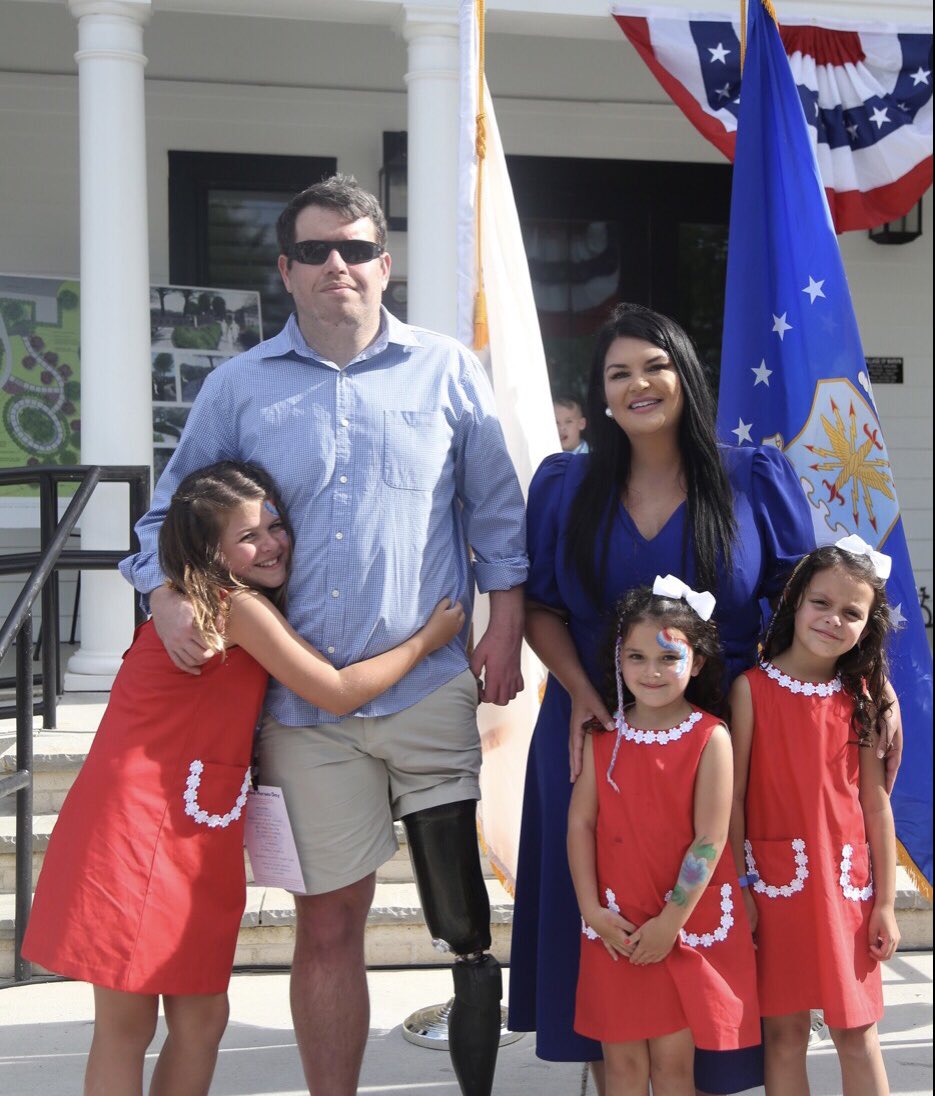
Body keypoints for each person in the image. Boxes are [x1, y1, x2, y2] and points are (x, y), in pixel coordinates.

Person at [119, 175, 527, 1096]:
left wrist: (505, 627)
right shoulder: (238, 388)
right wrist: (165, 594)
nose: (335, 264)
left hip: (429, 693)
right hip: (303, 714)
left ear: (385, 264)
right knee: (330, 923)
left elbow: (498, 515)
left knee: (465, 927)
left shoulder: (446, 369)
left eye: (354, 248)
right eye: (314, 251)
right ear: (285, 270)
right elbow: (165, 521)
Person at [508, 300, 874, 1094]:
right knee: (604, 933)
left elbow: (809, 605)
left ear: (687, 376)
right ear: (600, 394)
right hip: (595, 730)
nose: (637, 384)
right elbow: (538, 606)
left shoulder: (752, 476)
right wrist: (580, 693)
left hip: (722, 743)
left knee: (711, 923)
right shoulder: (564, 484)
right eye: (618, 373)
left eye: (655, 366)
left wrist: (866, 683)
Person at [23, 461, 465, 1096]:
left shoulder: (197, 600)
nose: (273, 543)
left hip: (185, 831)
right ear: (210, 552)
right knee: (129, 1023)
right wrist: (428, 640)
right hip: (140, 830)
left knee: (200, 1020)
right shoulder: (232, 608)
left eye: (275, 526)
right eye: (249, 536)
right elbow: (336, 691)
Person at [569, 579, 760, 1095]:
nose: (651, 671)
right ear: (619, 659)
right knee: (623, 1068)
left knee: (675, 1068)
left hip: (677, 929)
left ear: (696, 663)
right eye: (636, 656)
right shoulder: (603, 735)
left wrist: (668, 925)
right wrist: (591, 911)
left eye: (668, 657)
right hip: (615, 927)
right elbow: (580, 824)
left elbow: (709, 839)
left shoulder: (710, 737)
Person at [729, 538, 900, 1095]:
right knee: (784, 1036)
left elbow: (875, 802)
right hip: (775, 891)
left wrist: (886, 902)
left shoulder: (862, 698)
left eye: (851, 612)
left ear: (868, 626)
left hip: (847, 893)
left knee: (858, 1032)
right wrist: (741, 887)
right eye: (821, 603)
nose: (833, 619)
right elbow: (734, 799)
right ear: (796, 601)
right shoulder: (750, 691)